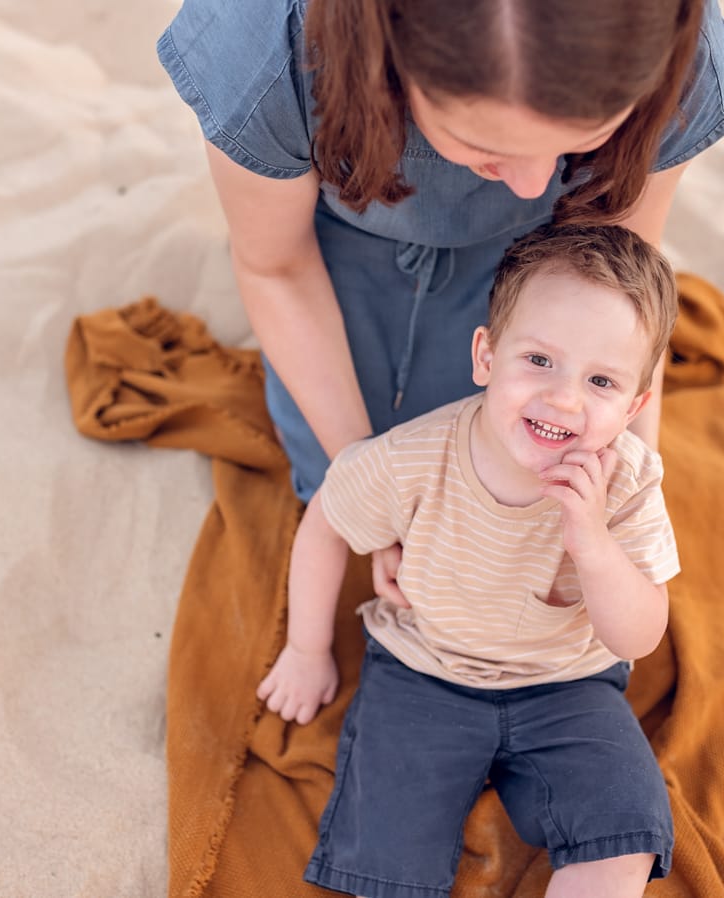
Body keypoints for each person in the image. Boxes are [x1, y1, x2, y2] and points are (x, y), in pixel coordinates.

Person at [157, 0, 724, 507]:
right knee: (343, 478)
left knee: (514, 482)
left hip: (553, 248)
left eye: (582, 139)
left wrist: (632, 487)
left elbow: (621, 283)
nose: (533, 183)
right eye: (486, 147)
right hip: (334, 244)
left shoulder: (671, 39)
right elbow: (277, 267)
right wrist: (365, 476)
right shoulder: (267, 43)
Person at [256, 222, 682, 898]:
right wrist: (307, 650)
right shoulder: (414, 457)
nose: (563, 398)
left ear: (634, 406)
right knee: (386, 851)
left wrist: (592, 541)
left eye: (601, 380)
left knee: (625, 829)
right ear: (486, 356)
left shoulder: (627, 480)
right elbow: (327, 521)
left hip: (568, 683)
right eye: (538, 360)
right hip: (425, 669)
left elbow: (638, 635)